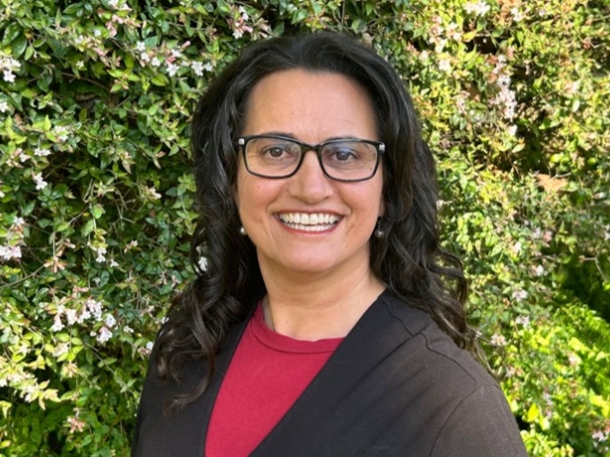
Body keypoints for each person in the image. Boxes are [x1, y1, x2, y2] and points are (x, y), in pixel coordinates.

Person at [131, 32, 528, 456]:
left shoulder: (449, 407)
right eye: (277, 150)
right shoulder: (187, 351)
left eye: (344, 154)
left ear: (387, 190)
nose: (310, 187)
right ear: (231, 179)